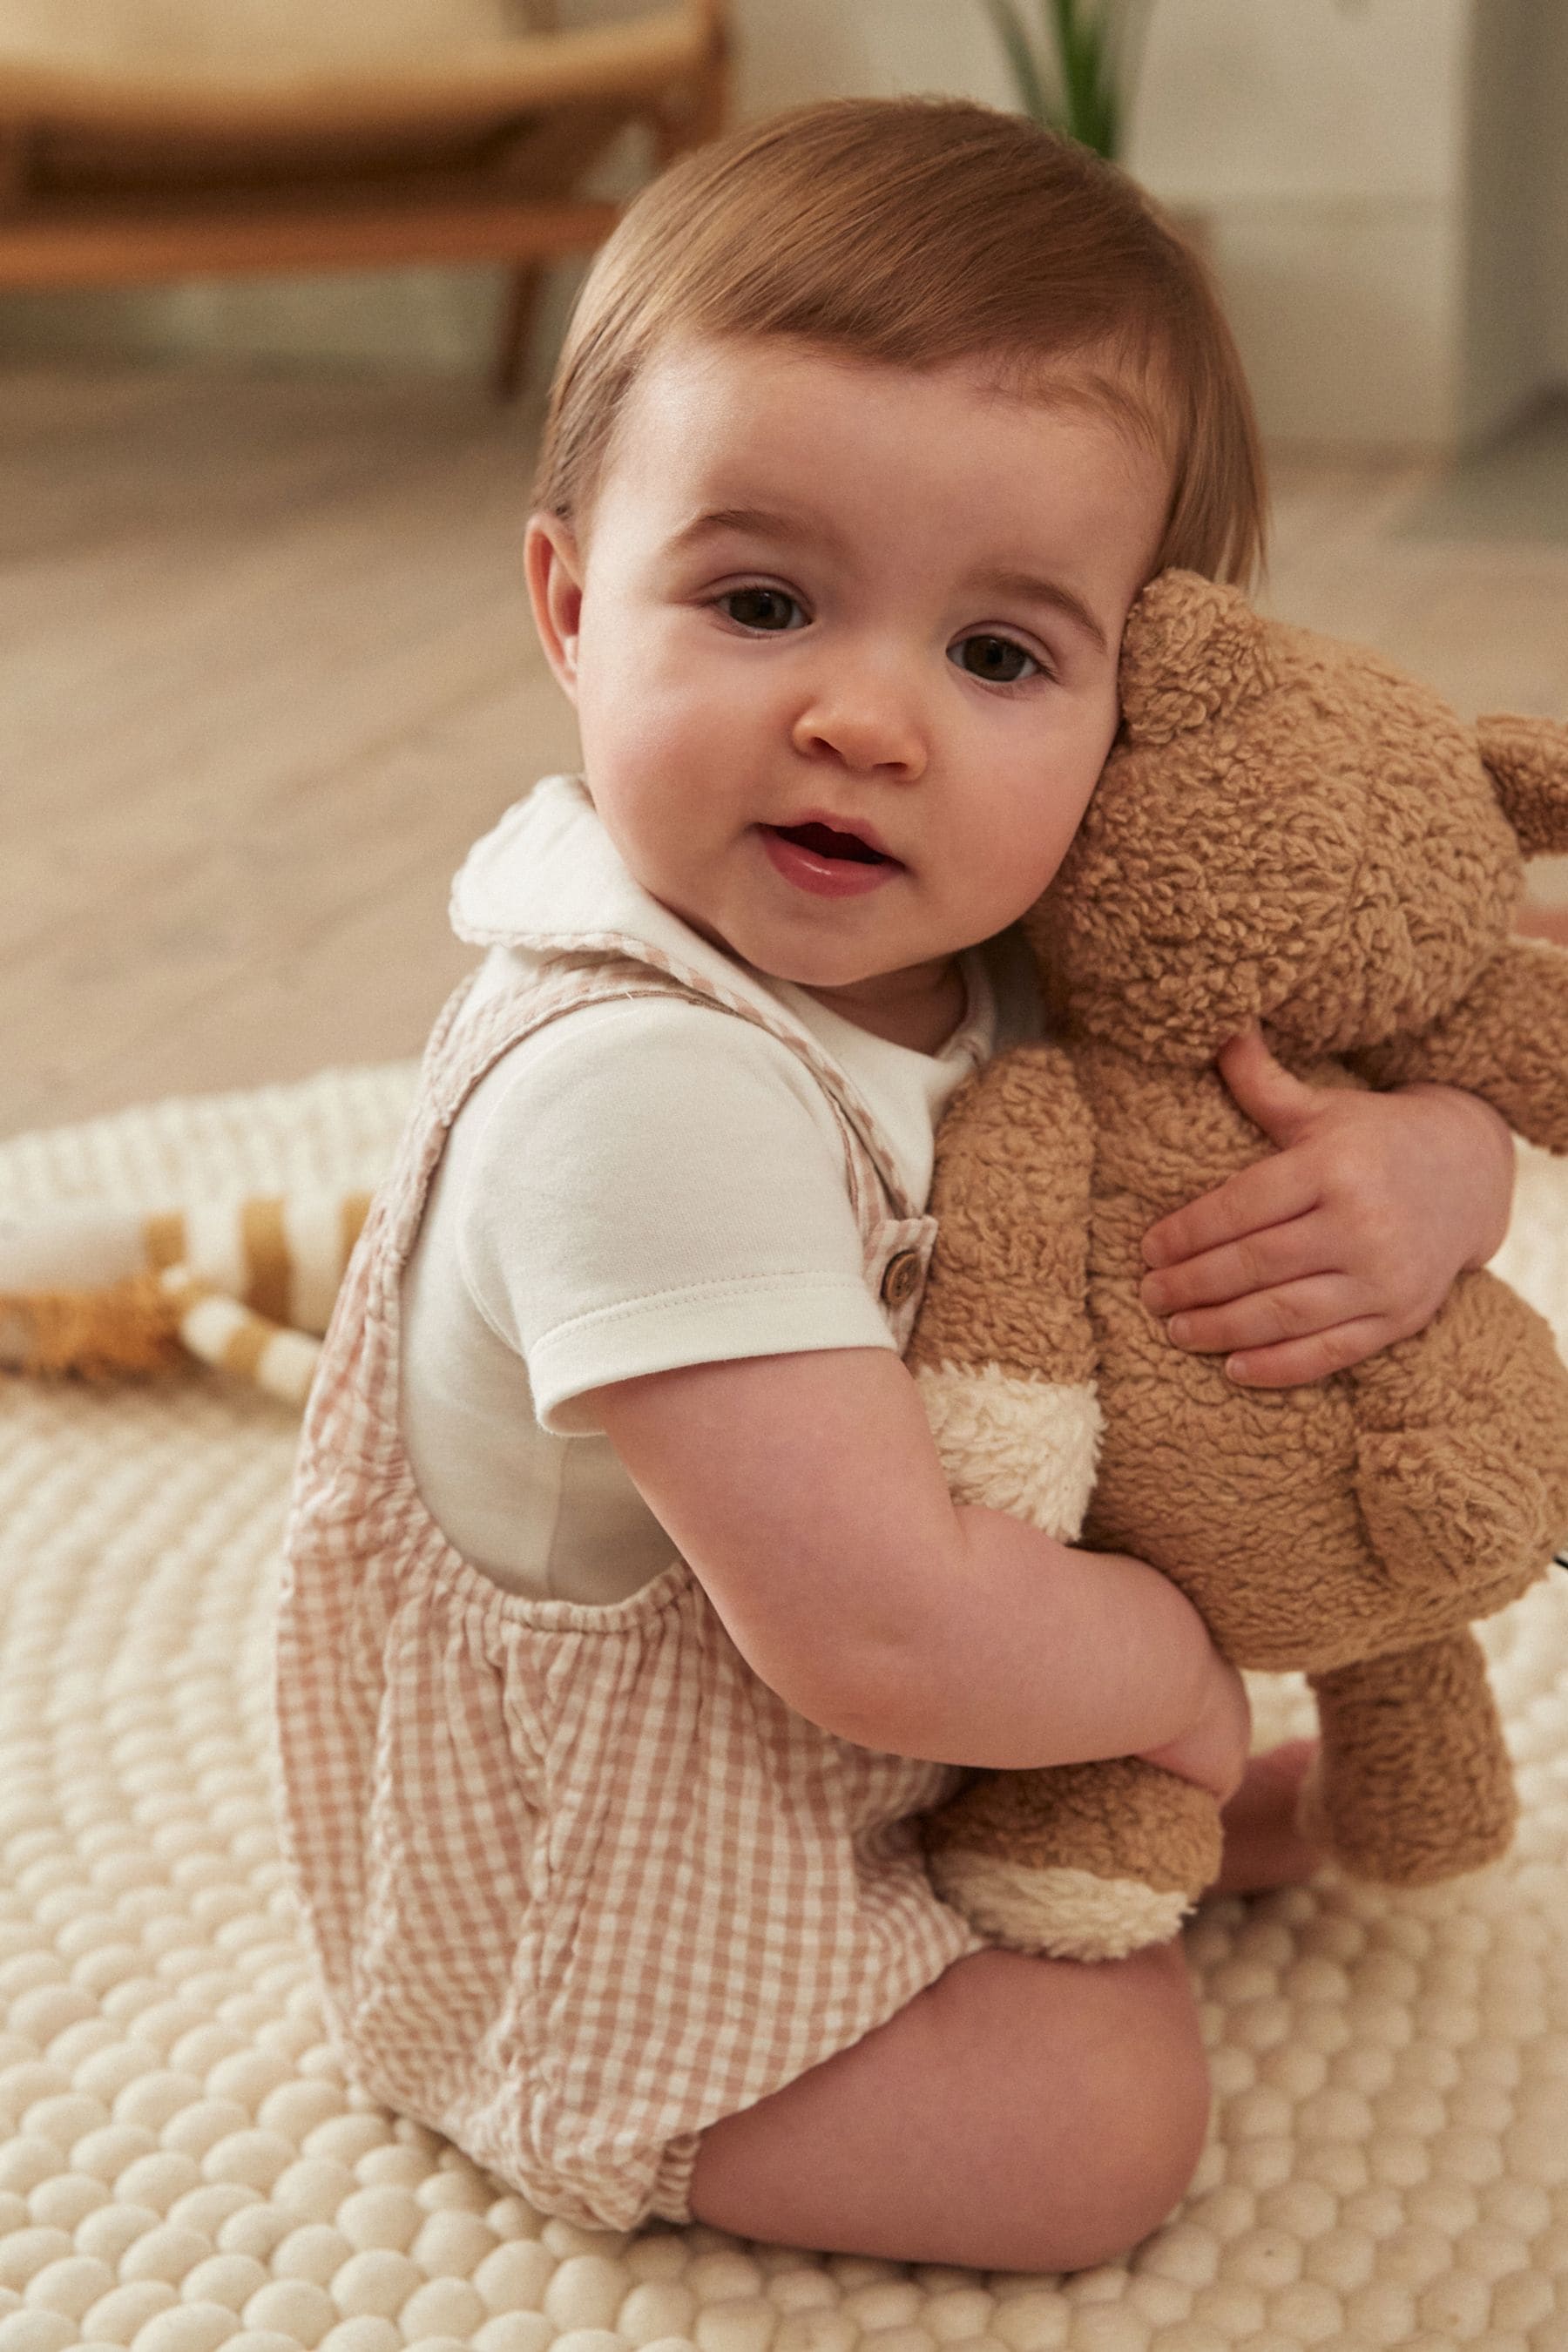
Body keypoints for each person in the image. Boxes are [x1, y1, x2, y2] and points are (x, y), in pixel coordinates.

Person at [273, 97, 1519, 2273]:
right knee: (1095, 2132)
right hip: (638, 1855)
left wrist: (1442, 1167)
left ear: (1140, 715)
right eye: (762, 601)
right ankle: (963, 1902)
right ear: (575, 607)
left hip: (888, 1717)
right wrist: (1170, 1688)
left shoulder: (1012, 943)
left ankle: (1084, 1817)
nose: (867, 718)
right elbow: (880, 1631)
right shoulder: (644, 1093)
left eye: (1001, 655)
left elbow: (1420, 1028)